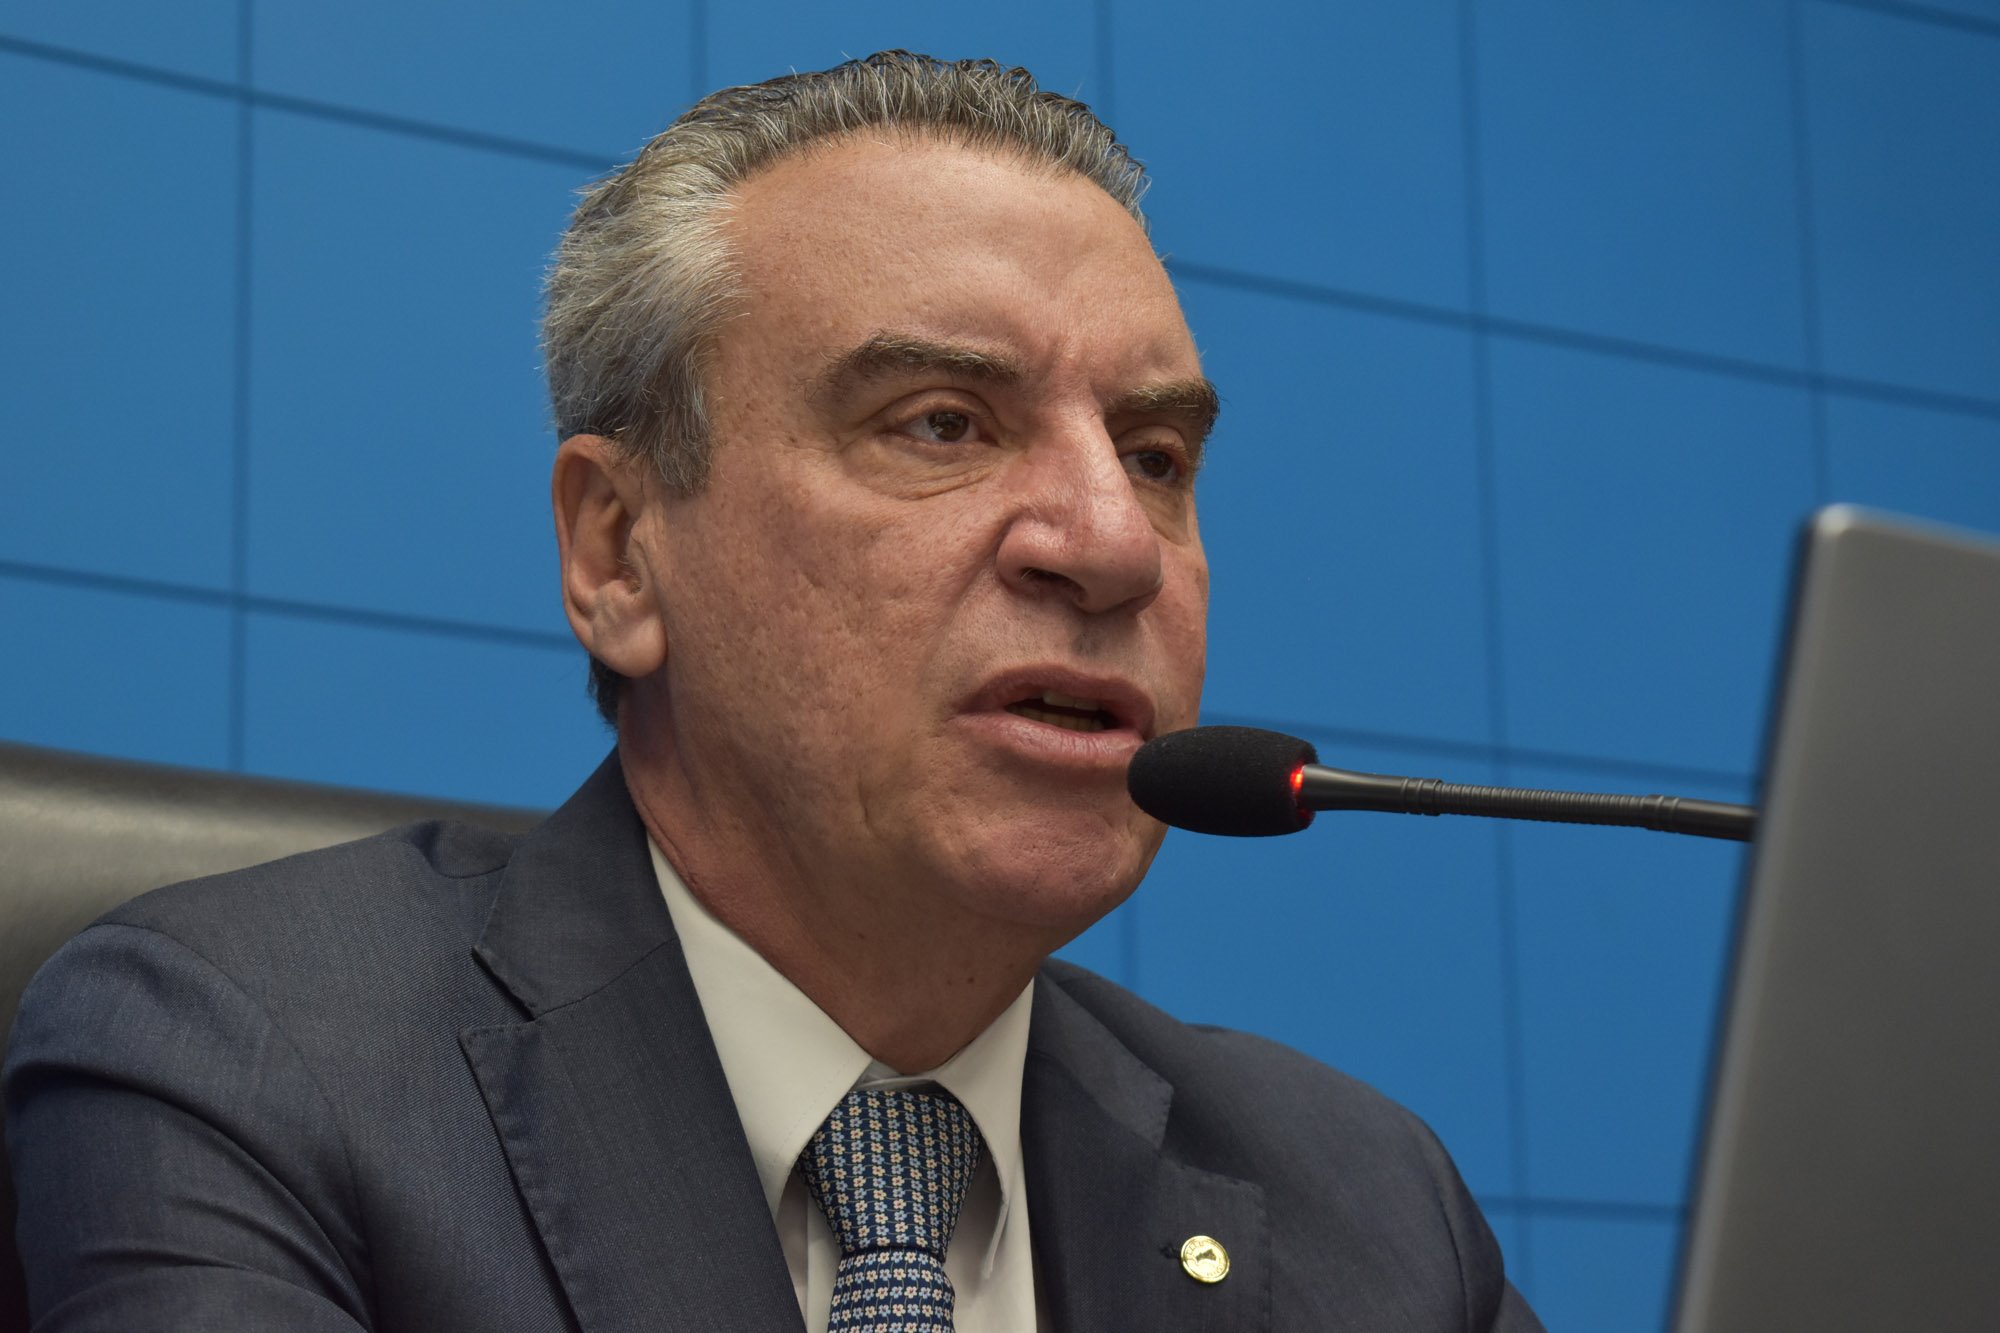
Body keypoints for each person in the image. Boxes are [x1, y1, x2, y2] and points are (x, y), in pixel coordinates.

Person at [4, 53, 1541, 1331]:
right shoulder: (244, 1059)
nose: (1113, 544)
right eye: (942, 423)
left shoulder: (1366, 1203)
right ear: (620, 550)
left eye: (1155, 456)